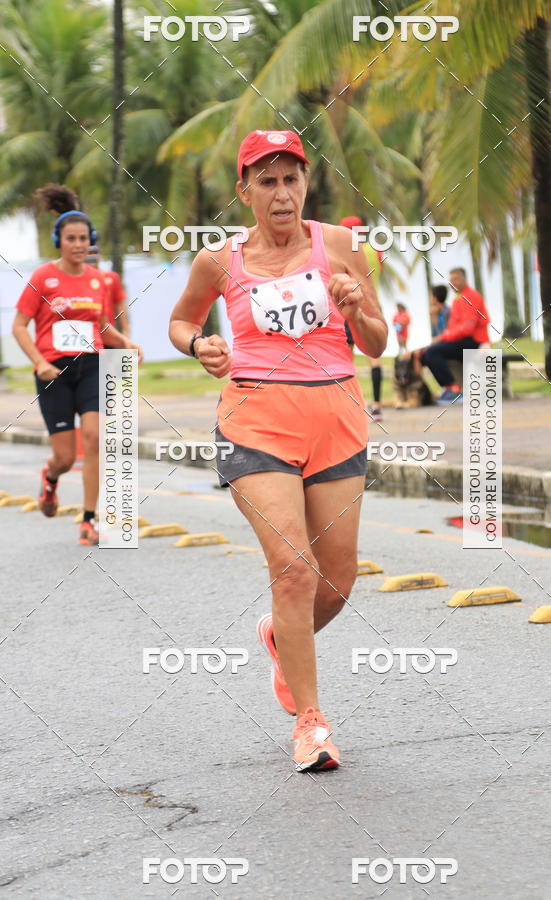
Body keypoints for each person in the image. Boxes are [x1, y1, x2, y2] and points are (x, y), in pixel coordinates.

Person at [169, 130, 387, 772]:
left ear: (305, 185)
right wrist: (198, 345)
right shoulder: (218, 261)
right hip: (256, 422)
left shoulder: (342, 246)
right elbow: (182, 320)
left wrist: (354, 310)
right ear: (245, 191)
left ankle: (276, 636)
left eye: (291, 178)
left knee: (336, 583)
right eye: (266, 181)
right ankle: (311, 725)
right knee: (292, 571)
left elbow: (375, 342)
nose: (282, 192)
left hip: (337, 419)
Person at [11, 184, 142, 545]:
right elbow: (19, 326)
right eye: (71, 238)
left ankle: (89, 519)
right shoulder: (43, 278)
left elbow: (99, 326)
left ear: (91, 240)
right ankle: (51, 478)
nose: (78, 245)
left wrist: (126, 343)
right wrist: (38, 363)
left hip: (92, 367)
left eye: (84, 238)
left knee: (96, 437)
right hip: (54, 371)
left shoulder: (98, 280)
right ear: (60, 240)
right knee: (66, 457)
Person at [420, 267, 490, 403]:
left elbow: (467, 329)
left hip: (473, 341)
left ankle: (454, 389)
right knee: (425, 354)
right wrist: (443, 337)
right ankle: (447, 388)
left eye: (456, 279)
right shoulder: (457, 300)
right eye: (451, 280)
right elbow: (452, 328)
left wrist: (442, 338)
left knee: (432, 352)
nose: (453, 282)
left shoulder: (471, 296)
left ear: (465, 279)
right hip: (460, 340)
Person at [339, 216, 385, 422]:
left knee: (347, 359)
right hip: (374, 306)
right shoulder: (375, 251)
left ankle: (356, 406)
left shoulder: (346, 252)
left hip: (351, 306)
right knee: (375, 358)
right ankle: (377, 405)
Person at [85, 245, 131, 346]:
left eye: (94, 253)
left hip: (108, 334)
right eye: (89, 254)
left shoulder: (111, 277)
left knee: (117, 361)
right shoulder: (78, 279)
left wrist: (126, 329)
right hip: (86, 336)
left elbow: (121, 305)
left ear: (99, 255)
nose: (92, 257)